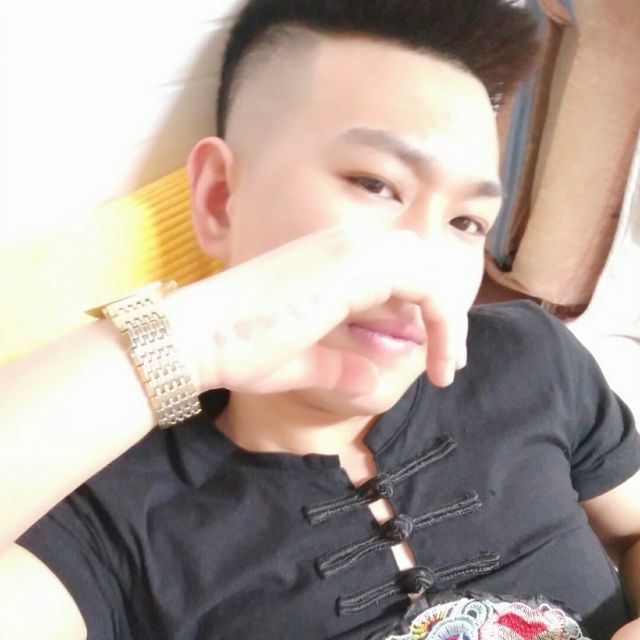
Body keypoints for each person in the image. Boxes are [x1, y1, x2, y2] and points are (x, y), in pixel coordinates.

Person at [1, 1, 639, 638]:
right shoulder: (109, 521)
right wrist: (196, 340)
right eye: (375, 184)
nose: (425, 266)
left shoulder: (531, 358)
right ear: (220, 198)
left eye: (466, 222)